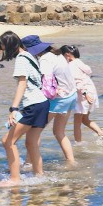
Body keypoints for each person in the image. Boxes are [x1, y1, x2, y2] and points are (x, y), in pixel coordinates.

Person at [0, 31, 50, 187]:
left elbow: (22, 84)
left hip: (32, 104)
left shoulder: (20, 59)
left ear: (10, 46)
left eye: (4, 48)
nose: (4, 52)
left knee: (7, 141)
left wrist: (14, 108)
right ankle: (39, 177)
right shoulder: (30, 55)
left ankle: (14, 179)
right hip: (43, 104)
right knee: (31, 142)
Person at [21, 35, 76, 163]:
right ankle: (71, 162)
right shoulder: (57, 55)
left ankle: (30, 163)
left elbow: (46, 82)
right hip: (70, 96)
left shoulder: (45, 60)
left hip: (58, 99)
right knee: (59, 132)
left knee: (34, 132)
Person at [60, 45, 103, 142]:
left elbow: (77, 82)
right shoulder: (79, 62)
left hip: (83, 93)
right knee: (84, 119)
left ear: (67, 55)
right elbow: (88, 71)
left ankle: (79, 145)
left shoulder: (71, 65)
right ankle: (102, 134)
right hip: (90, 90)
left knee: (77, 123)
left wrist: (85, 93)